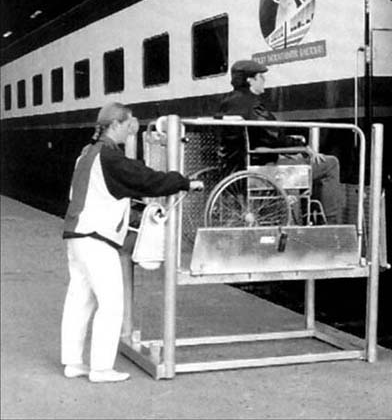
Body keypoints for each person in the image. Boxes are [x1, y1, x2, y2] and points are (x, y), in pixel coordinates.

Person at [61, 102, 202, 383]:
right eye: (127, 127)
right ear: (114, 125)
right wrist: (182, 181)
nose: (129, 133)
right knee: (112, 303)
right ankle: (101, 368)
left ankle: (73, 362)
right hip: (96, 238)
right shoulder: (110, 157)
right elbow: (144, 180)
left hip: (77, 235)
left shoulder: (87, 153)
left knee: (80, 299)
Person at [217, 59, 341, 224]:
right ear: (250, 80)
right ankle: (331, 223)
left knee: (296, 160)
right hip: (262, 166)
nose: (264, 81)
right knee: (330, 164)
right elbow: (272, 136)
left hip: (236, 166)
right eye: (261, 77)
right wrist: (302, 147)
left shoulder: (226, 103)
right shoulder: (253, 105)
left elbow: (260, 138)